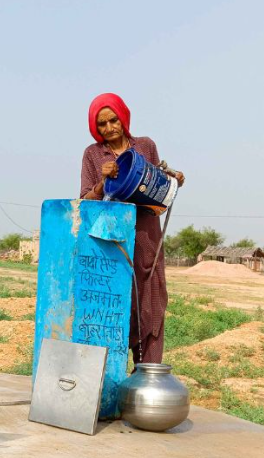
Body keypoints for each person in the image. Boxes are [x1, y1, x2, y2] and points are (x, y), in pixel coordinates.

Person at [80, 93, 185, 364]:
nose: (109, 128)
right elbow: (83, 200)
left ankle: (146, 375)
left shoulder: (146, 146)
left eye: (113, 120)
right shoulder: (93, 155)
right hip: (112, 241)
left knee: (150, 305)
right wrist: (103, 182)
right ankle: (111, 377)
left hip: (147, 237)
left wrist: (173, 180)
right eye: (101, 124)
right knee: (114, 304)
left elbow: (159, 185)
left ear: (123, 117)